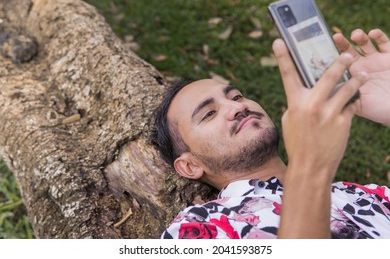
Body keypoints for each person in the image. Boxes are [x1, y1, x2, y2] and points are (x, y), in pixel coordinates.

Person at [151, 28, 390, 239]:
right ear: (190, 166)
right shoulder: (200, 228)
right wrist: (309, 165)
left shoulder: (366, 195)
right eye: (209, 114)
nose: (238, 107)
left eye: (235, 96)